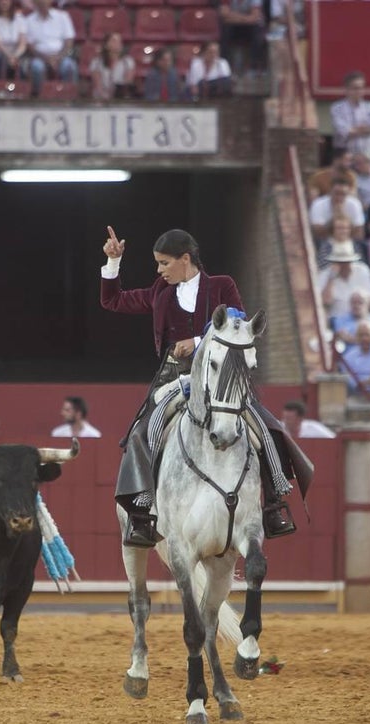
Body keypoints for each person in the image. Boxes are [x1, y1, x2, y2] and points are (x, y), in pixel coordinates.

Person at [99, 225, 307, 546]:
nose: (159, 270)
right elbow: (112, 301)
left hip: (220, 374)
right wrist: (113, 263)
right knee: (142, 432)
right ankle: (142, 509)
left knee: (264, 425)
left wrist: (197, 340)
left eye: (164, 263)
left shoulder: (222, 285)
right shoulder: (160, 292)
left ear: (185, 259)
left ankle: (274, 501)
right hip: (174, 376)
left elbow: (238, 323)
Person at [25, 0, 77, 97]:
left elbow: (69, 41)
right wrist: (46, 59)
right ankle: (37, 97)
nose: (43, 2)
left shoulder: (62, 16)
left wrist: (58, 58)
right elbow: (30, 46)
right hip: (39, 57)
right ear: (35, 2)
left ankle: (68, 97)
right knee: (37, 67)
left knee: (69, 66)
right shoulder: (29, 20)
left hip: (60, 56)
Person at [329, 70, 370, 161]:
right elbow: (344, 131)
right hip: (346, 157)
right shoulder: (337, 108)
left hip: (368, 156)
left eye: (361, 88)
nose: (359, 91)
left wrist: (354, 130)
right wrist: (366, 129)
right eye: (355, 88)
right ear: (346, 89)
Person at [318, 241, 370, 319]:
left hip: (361, 317)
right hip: (336, 319)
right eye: (340, 262)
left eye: (347, 262)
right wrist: (331, 278)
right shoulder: (324, 275)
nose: (344, 265)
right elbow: (326, 302)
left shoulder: (362, 270)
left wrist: (360, 314)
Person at [0, 0, 28, 81]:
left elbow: (22, 44)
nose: (4, 2)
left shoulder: (19, 18)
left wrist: (15, 56)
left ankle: (18, 90)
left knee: (25, 63)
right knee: (1, 60)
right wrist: (9, 56)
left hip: (14, 55)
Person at [218, 0, 266, 75]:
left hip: (249, 27)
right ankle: (226, 66)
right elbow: (224, 15)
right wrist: (245, 18)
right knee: (225, 30)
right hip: (234, 26)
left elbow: (255, 17)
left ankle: (254, 67)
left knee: (257, 32)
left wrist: (234, 17)